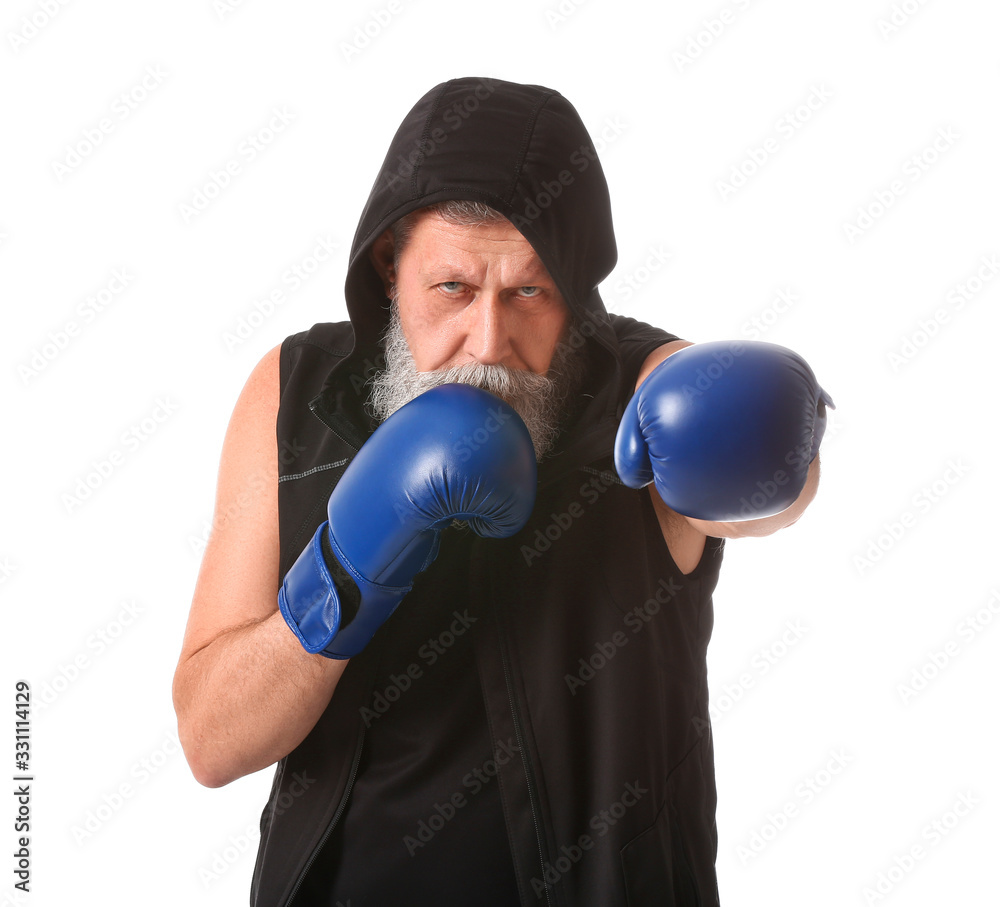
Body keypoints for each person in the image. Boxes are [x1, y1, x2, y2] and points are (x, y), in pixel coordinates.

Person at [172, 76, 832, 906]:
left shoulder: (641, 392)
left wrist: (774, 441)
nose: (488, 340)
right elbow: (210, 741)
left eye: (529, 291)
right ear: (388, 268)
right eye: (453, 288)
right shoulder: (296, 393)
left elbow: (772, 480)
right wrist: (347, 564)